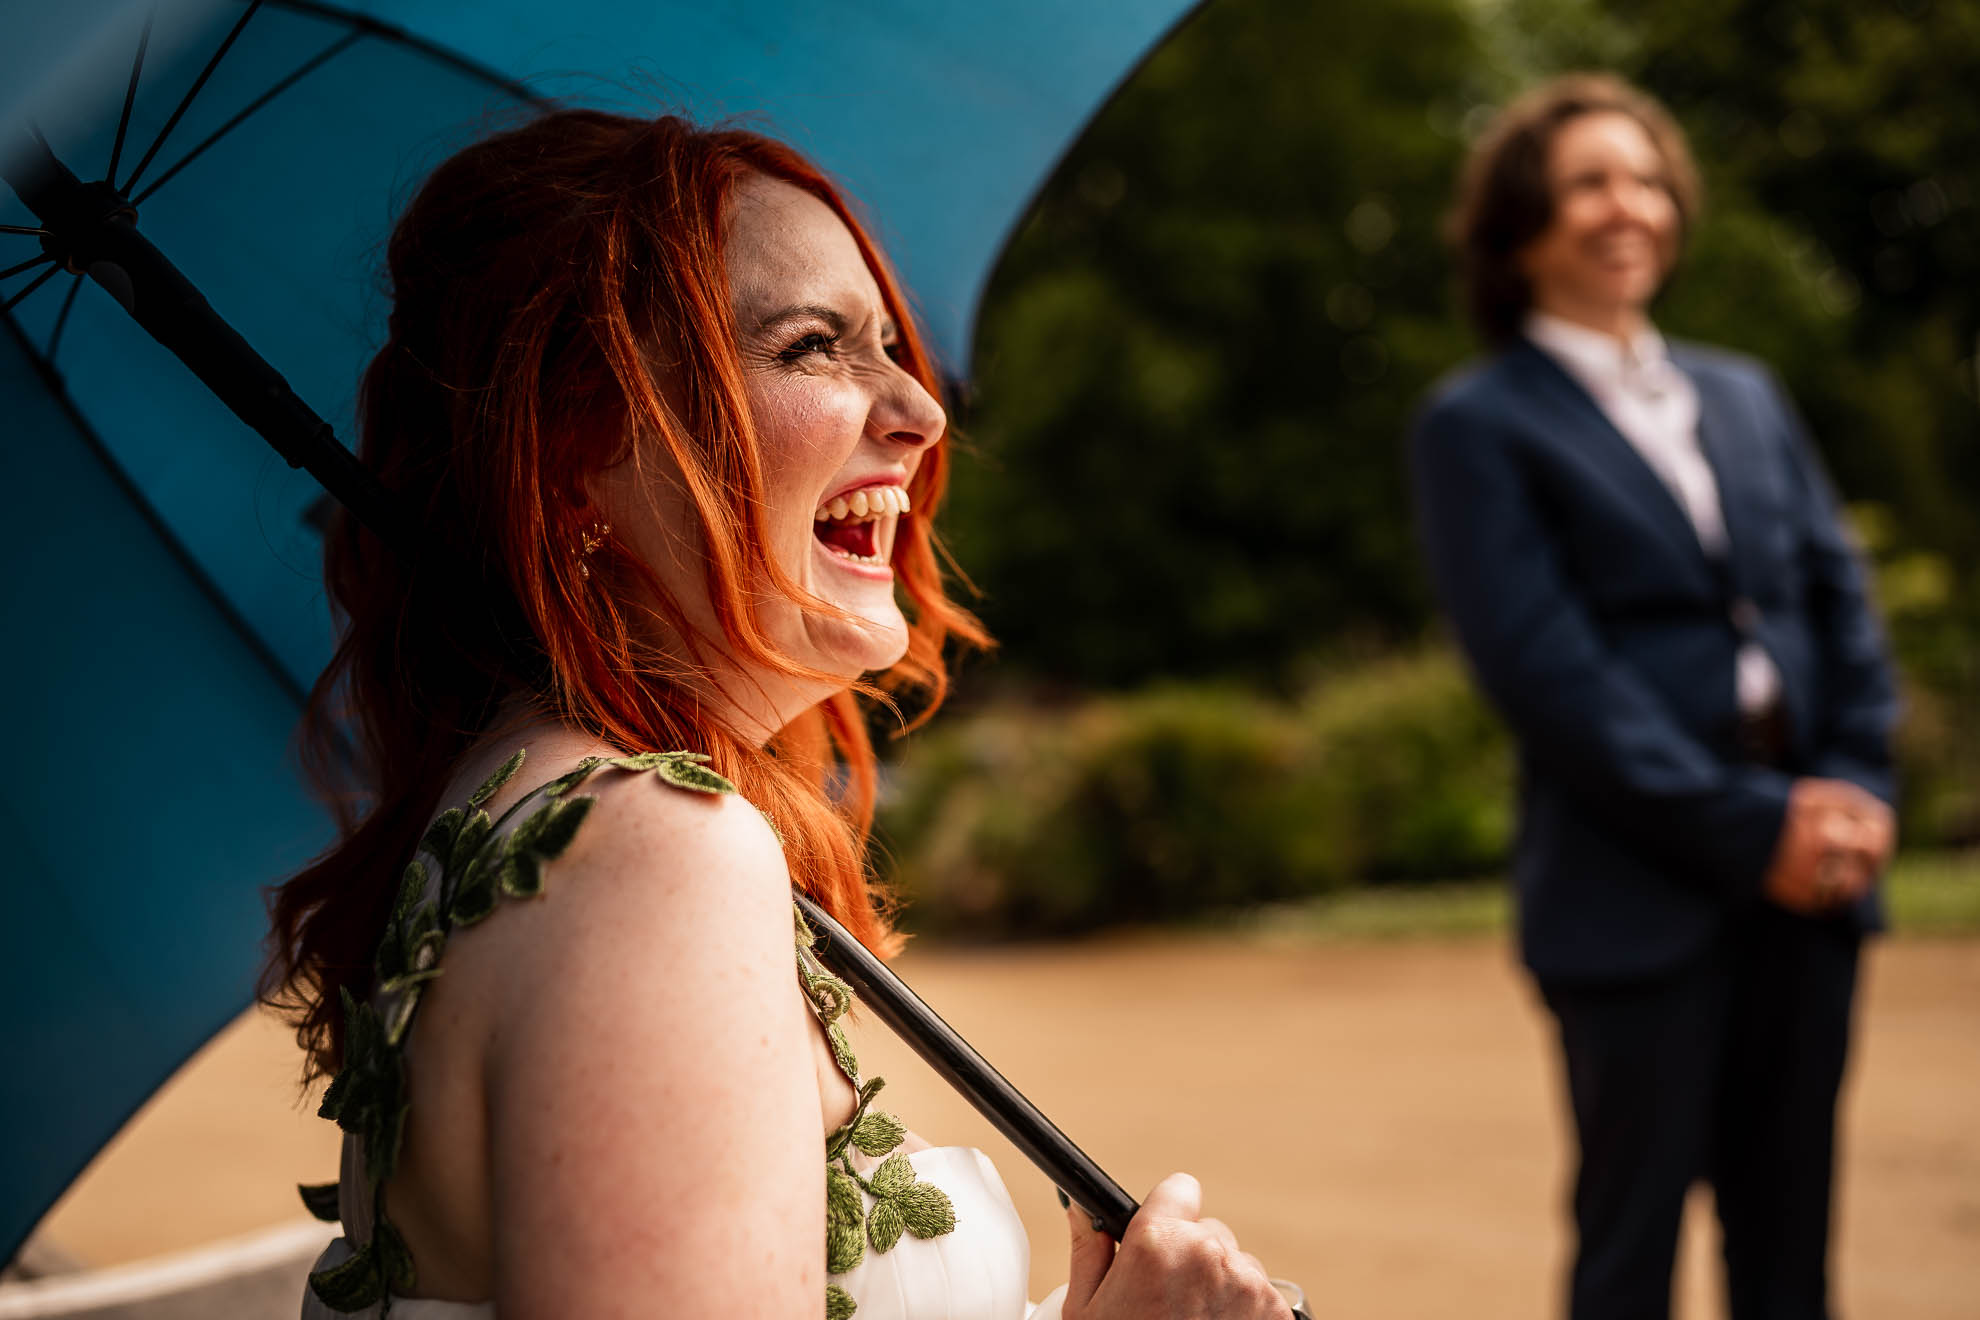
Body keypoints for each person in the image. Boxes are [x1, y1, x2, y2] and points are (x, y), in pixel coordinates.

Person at [261, 110, 1293, 1320]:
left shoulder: (529, 814)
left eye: (892, 347)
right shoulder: (643, 846)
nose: (919, 410)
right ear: (579, 449)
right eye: (813, 346)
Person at [1408, 75, 1898, 1319]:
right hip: (1633, 896)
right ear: (1522, 225)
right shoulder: (1478, 425)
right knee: (1630, 1259)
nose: (1627, 205)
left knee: (1791, 1256)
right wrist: (1751, 828)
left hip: (1812, 893)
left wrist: (1855, 784)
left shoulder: (1745, 394)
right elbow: (1546, 673)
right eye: (1588, 182)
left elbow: (1838, 601)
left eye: (1645, 177)